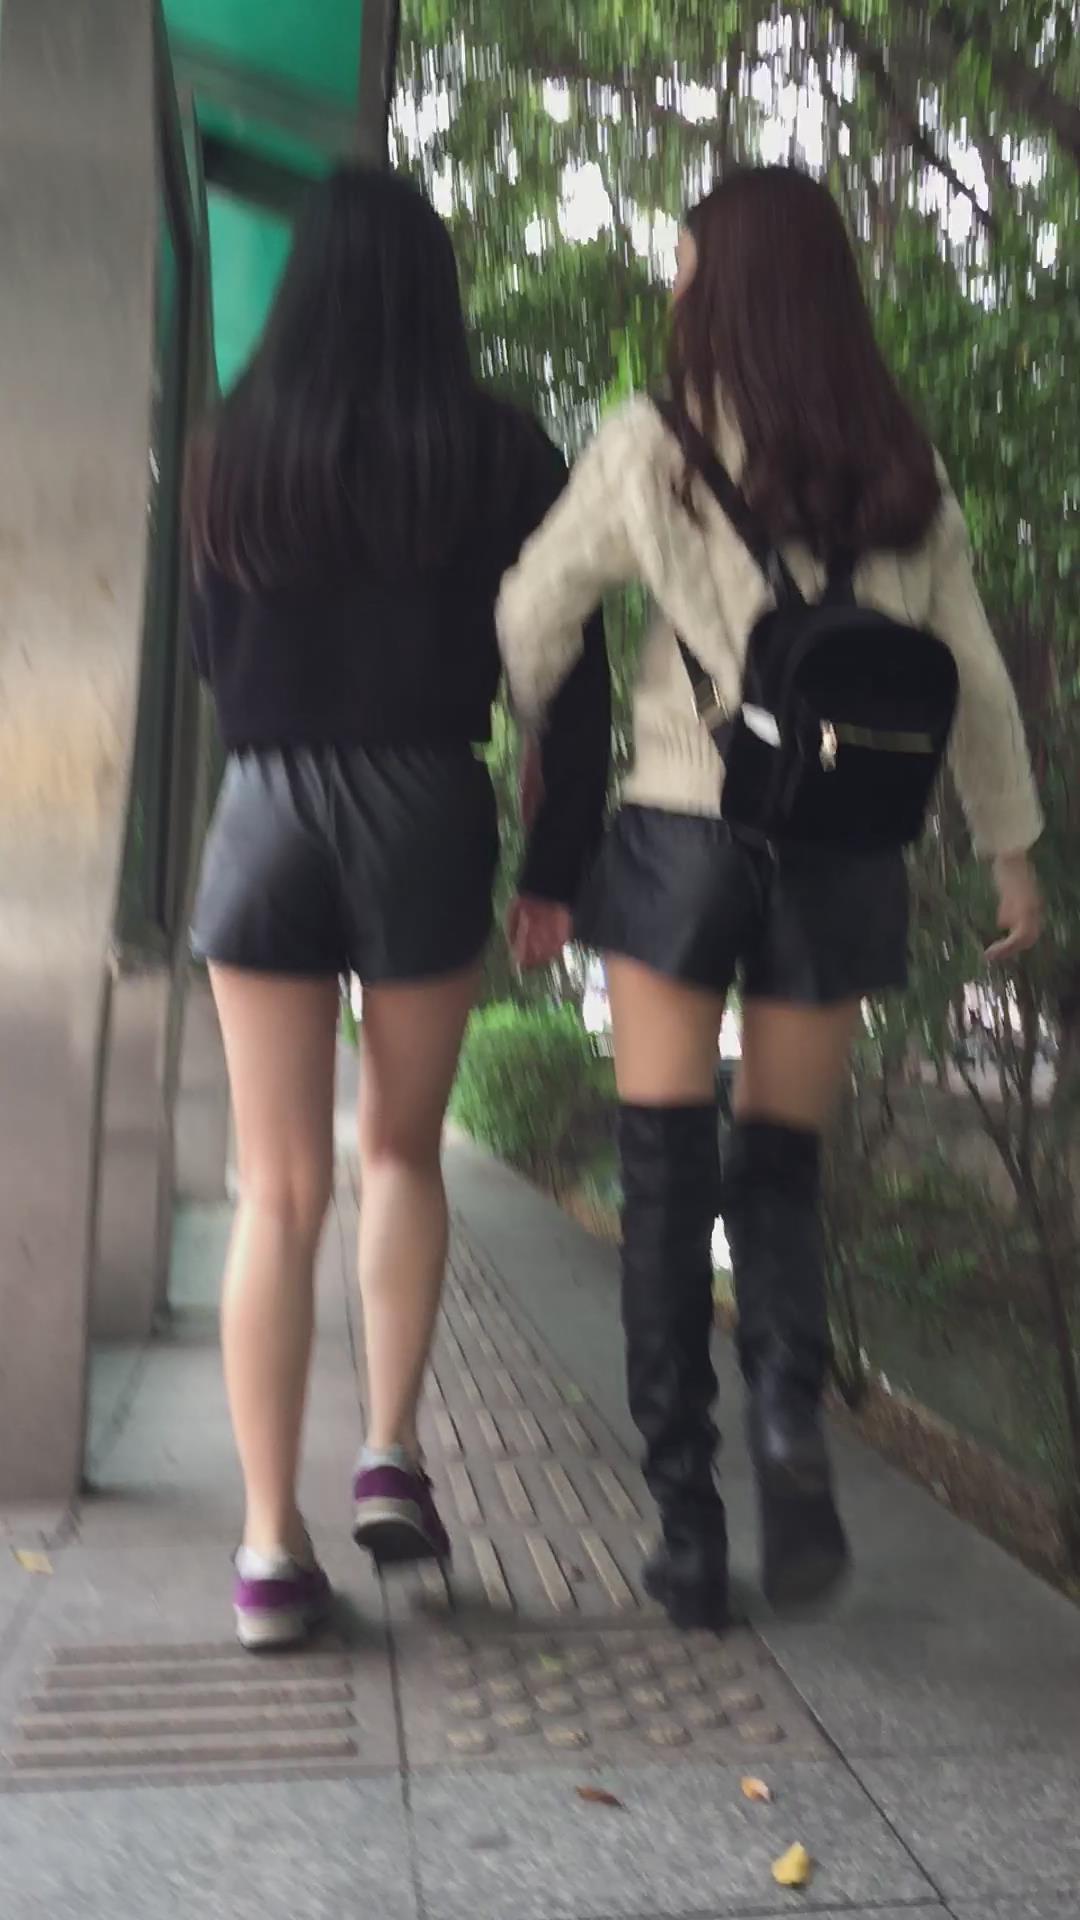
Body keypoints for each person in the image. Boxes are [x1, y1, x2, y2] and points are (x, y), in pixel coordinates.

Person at [497, 166, 1042, 1632]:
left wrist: (536, 727)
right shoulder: (900, 466)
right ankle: (792, 1417)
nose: (672, 276)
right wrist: (1012, 849)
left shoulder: (652, 445)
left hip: (682, 838)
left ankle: (688, 1524)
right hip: (844, 854)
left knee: (664, 1178)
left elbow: (533, 609)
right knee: (781, 1168)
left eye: (683, 257)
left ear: (719, 280)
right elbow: (976, 680)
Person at [186, 165, 609, 1650]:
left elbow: (209, 653)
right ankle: (387, 1454)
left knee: (276, 1188)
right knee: (400, 1153)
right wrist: (558, 866)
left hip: (263, 807)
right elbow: (568, 667)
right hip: (428, 800)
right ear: (437, 291)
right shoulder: (503, 450)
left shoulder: (233, 448)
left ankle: (266, 1548)